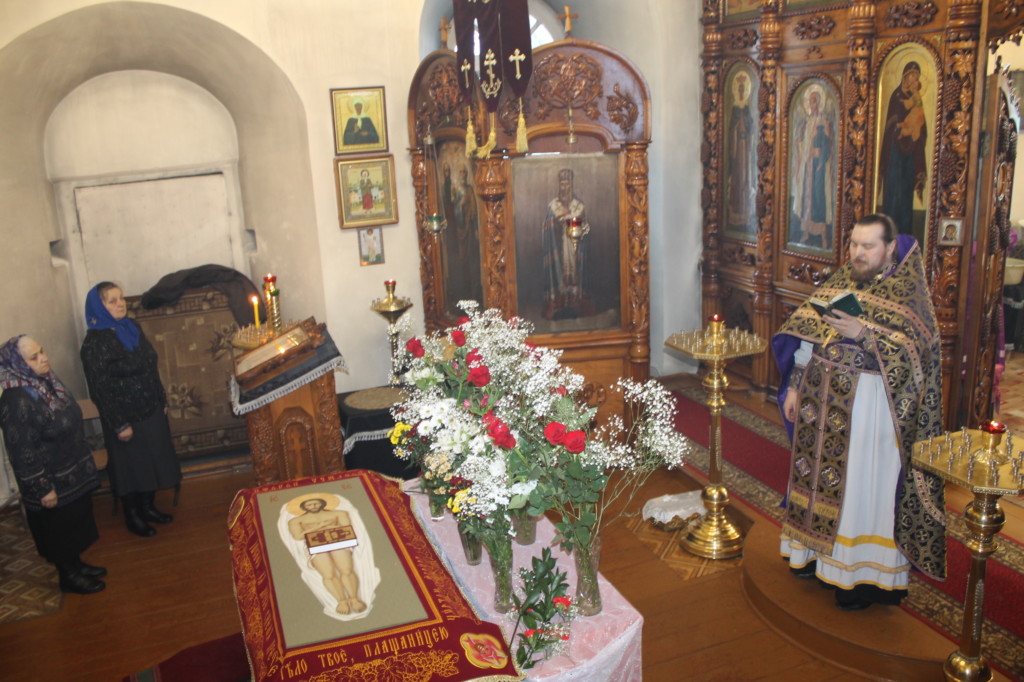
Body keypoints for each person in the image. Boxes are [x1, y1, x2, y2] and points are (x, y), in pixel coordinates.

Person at [772, 213, 946, 611]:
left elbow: (916, 357)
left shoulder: (909, 295)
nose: (858, 253)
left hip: (873, 411)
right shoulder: (843, 279)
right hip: (821, 403)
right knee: (816, 479)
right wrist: (795, 386)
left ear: (890, 247)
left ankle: (859, 577)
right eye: (853, 244)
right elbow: (809, 334)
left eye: (868, 246)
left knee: (861, 491)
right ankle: (810, 555)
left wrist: (864, 334)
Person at [0, 335, 105, 594]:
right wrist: (41, 488)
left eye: (42, 351)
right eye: (34, 357)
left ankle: (76, 564)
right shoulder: (16, 399)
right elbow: (21, 450)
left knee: (73, 524)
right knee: (58, 531)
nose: (44, 358)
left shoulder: (46, 381)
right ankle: (68, 576)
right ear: (17, 364)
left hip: (70, 472)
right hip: (50, 480)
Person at [80, 282, 181, 538]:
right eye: (112, 301)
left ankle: (148, 507)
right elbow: (99, 389)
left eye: (121, 298)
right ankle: (133, 515)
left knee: (152, 461)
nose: (121, 304)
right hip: (124, 417)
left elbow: (150, 365)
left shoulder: (132, 327)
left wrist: (161, 399)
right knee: (131, 469)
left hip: (150, 408)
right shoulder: (94, 343)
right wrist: (119, 424)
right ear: (98, 307)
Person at [277, 492, 380, 621]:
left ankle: (354, 599)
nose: (313, 506)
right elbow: (297, 536)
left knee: (346, 570)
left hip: (339, 541)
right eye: (309, 504)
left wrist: (317, 528)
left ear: (322, 504)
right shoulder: (296, 520)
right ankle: (342, 601)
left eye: (316, 503)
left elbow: (346, 527)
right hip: (315, 545)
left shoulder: (339, 513)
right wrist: (321, 526)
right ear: (304, 507)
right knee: (328, 574)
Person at [877, 61, 928, 238]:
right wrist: (902, 126)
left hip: (911, 148)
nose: (914, 79)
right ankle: (890, 230)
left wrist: (916, 129)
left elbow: (922, 124)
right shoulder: (896, 95)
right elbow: (893, 120)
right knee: (894, 188)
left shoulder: (917, 98)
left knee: (906, 189)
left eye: (917, 76)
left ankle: (905, 231)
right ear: (905, 76)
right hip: (895, 150)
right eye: (912, 75)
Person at [541, 168, 591, 320]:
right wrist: (557, 222)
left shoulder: (578, 205)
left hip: (574, 248)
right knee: (559, 273)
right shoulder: (553, 205)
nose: (565, 187)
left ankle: (575, 304)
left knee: (574, 274)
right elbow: (546, 227)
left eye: (567, 183)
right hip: (559, 247)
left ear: (571, 184)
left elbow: (584, 226)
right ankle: (559, 305)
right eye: (562, 184)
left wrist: (573, 220)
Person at [790, 87, 834, 249]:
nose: (812, 104)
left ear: (819, 103)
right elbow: (802, 144)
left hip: (819, 166)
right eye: (810, 101)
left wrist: (821, 157)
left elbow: (829, 145)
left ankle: (822, 234)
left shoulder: (824, 122)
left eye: (814, 101)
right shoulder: (806, 122)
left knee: (818, 198)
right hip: (807, 166)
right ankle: (806, 231)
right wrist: (801, 149)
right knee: (806, 199)